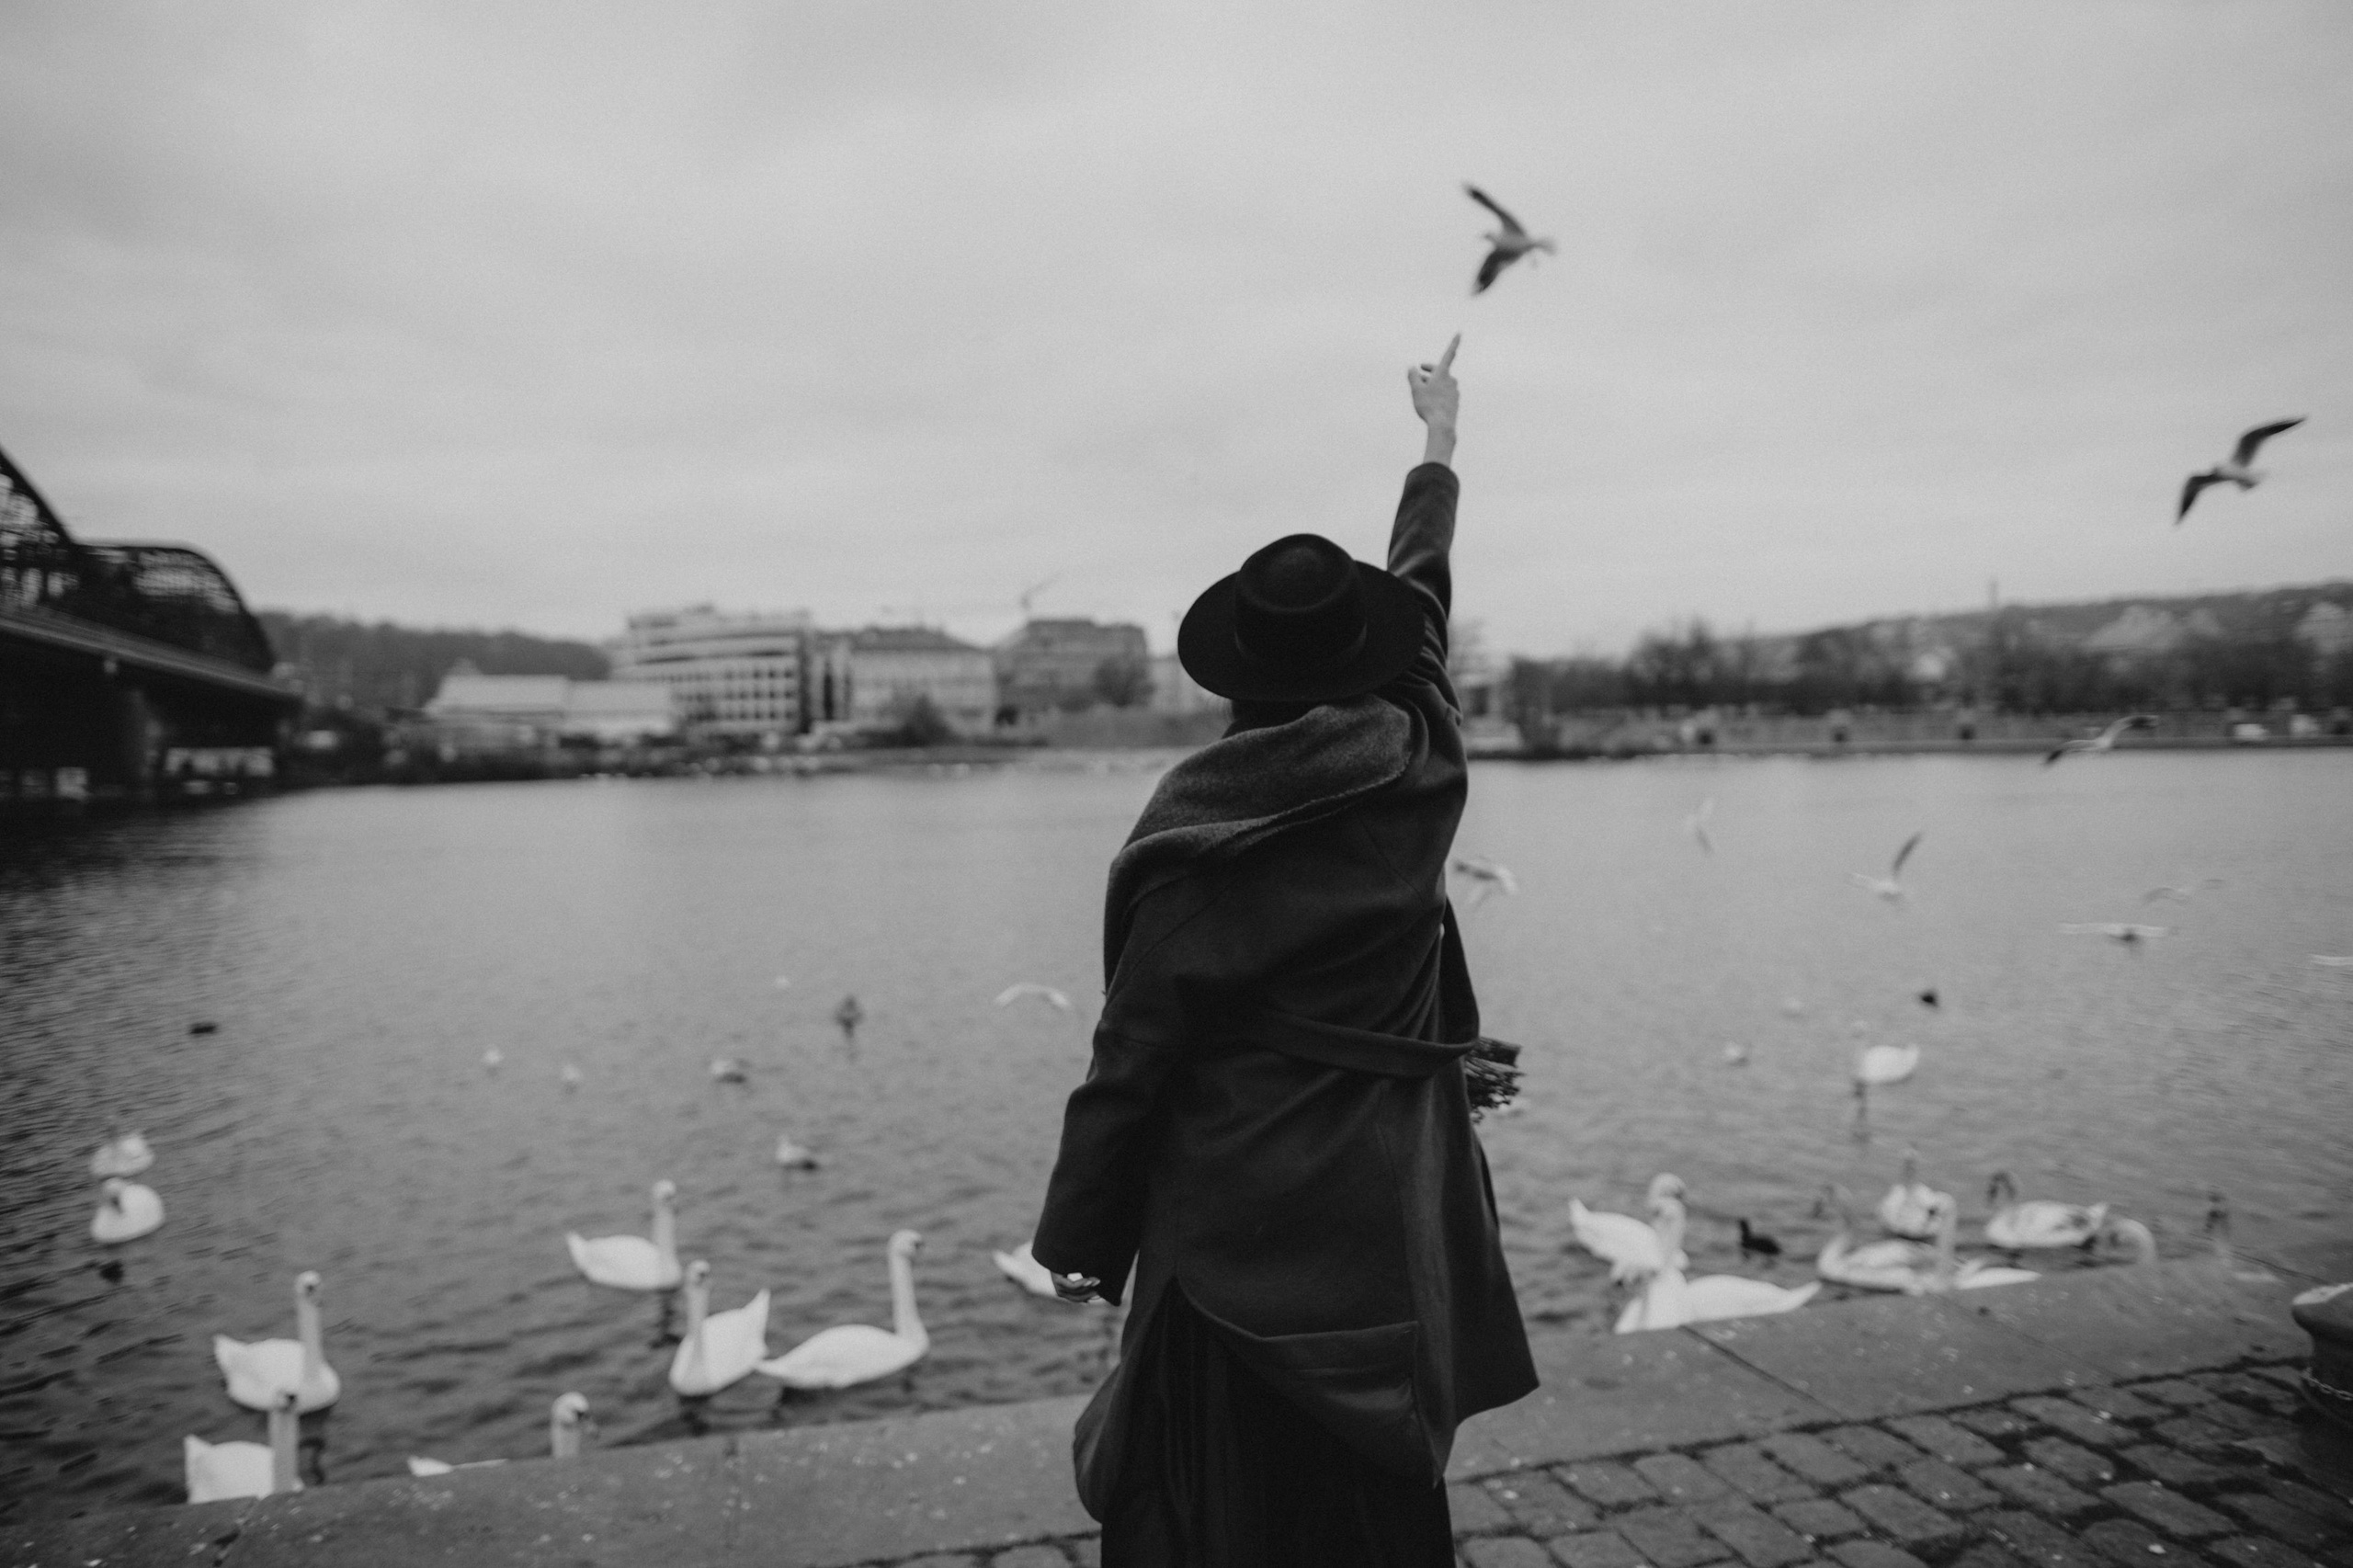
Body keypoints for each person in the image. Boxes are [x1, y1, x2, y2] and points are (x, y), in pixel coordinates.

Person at [1031, 335, 1536, 1566]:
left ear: (1240, 679)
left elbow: (1130, 1059)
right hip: (1391, 1184)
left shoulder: (1202, 837)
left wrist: (1081, 1239)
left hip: (1242, 1213)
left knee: (1231, 1494)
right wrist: (1438, 437)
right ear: (1369, 657)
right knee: (1373, 1485)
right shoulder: (1424, 754)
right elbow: (1422, 585)